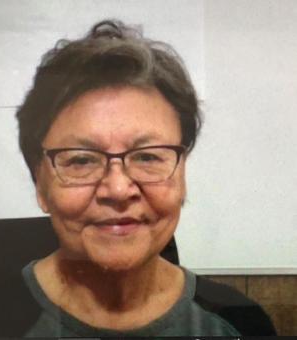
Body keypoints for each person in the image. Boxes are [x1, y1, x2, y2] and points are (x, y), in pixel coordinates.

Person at [15, 20, 276, 337]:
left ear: (181, 175)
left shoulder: (239, 324)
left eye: (148, 156)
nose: (119, 189)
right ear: (40, 184)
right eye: (82, 159)